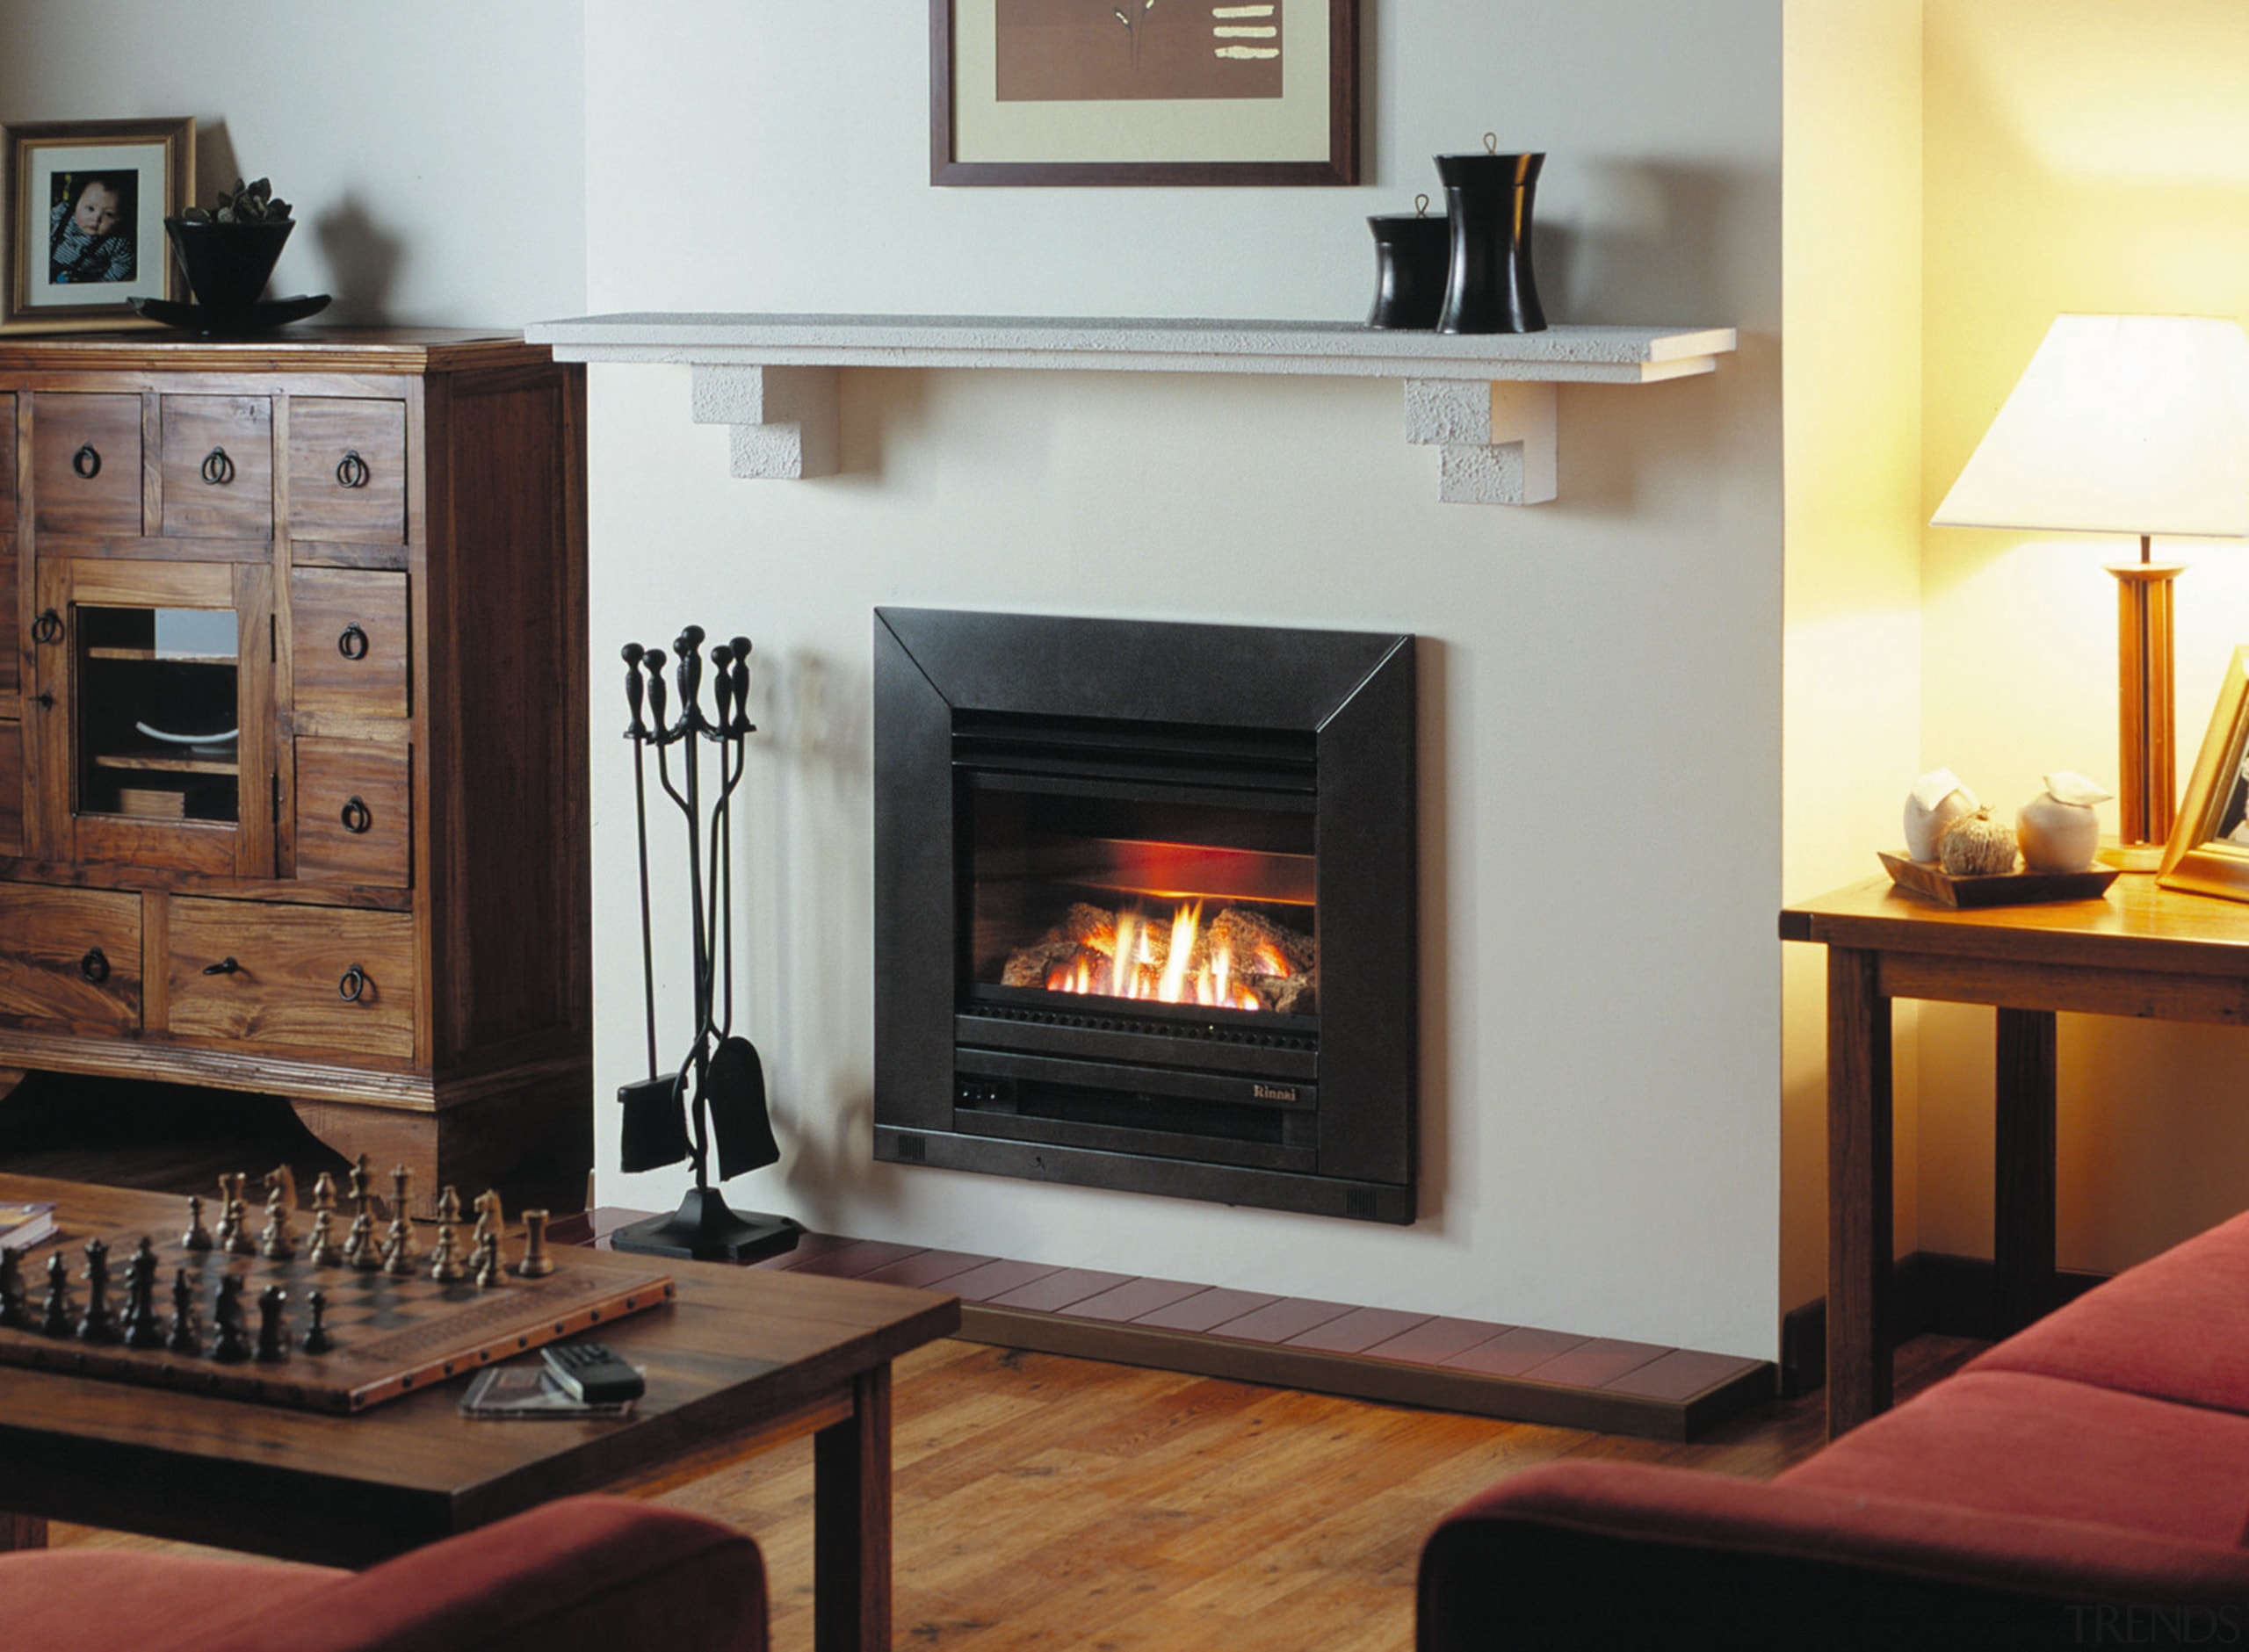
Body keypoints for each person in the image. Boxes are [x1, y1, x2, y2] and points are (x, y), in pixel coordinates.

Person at [49, 172, 135, 284]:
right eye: (90, 208)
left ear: (122, 218)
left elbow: (124, 265)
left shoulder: (118, 242)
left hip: (83, 279)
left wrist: (101, 285)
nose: (96, 218)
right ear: (76, 202)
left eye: (109, 214)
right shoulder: (62, 213)